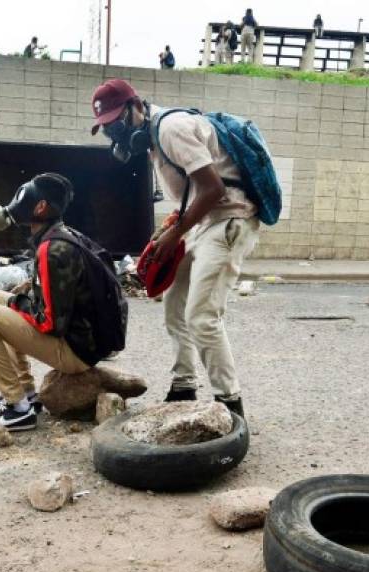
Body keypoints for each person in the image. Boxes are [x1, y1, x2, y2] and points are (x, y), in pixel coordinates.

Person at [90, 79, 260, 417]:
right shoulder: (155, 139)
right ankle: (184, 385)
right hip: (203, 223)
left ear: (135, 106)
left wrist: (176, 233)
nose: (114, 133)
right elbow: (193, 194)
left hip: (228, 218)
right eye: (106, 127)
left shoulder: (171, 128)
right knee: (174, 303)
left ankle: (230, 404)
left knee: (202, 316)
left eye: (116, 122)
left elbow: (212, 189)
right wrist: (166, 232)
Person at [0, 173, 118, 432]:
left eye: (24, 197)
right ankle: (27, 394)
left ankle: (17, 408)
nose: (16, 203)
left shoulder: (52, 248)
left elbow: (50, 323)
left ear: (40, 207)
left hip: (74, 351)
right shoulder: (63, 235)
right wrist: (25, 293)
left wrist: (18, 301)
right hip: (86, 340)